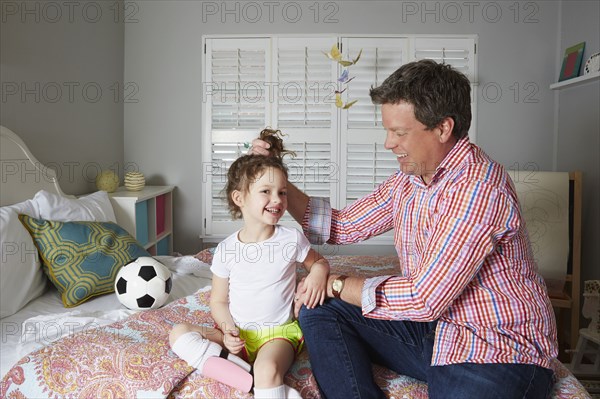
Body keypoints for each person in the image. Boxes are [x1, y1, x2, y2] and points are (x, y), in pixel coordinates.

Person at [249, 60, 558, 399]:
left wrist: (335, 282)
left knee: (328, 292)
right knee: (317, 306)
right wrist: (276, 174)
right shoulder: (409, 181)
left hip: (496, 352)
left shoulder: (478, 189)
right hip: (436, 333)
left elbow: (423, 298)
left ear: (443, 128)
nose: (388, 144)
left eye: (399, 133)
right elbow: (339, 226)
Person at [170, 129, 330, 399]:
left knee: (268, 368)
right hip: (238, 336)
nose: (277, 199)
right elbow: (219, 301)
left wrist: (318, 272)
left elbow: (320, 262)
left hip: (277, 335)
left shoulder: (291, 239)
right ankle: (247, 378)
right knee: (179, 333)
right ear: (239, 198)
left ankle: (257, 379)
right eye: (266, 192)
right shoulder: (226, 250)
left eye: (282, 192)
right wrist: (229, 329)